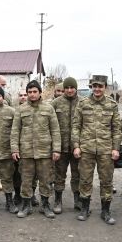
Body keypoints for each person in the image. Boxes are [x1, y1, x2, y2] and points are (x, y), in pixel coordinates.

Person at [72, 75, 121, 224]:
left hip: (106, 149)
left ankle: (105, 211)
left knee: (106, 181)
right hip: (86, 149)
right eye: (94, 86)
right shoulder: (83, 104)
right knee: (85, 180)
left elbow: (116, 128)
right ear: (91, 87)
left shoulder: (112, 105)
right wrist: (76, 146)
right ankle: (85, 209)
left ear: (105, 87)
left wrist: (116, 148)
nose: (97, 89)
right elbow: (76, 126)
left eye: (100, 86)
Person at [10, 80, 61, 218]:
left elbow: (55, 130)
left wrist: (56, 149)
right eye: (29, 92)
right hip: (26, 152)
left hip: (45, 152)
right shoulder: (21, 109)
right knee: (26, 180)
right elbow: (15, 130)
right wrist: (14, 149)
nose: (32, 95)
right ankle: (26, 206)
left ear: (40, 93)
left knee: (45, 179)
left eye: (35, 92)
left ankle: (45, 205)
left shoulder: (48, 108)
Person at [51, 77, 82, 211]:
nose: (69, 90)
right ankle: (58, 201)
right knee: (59, 175)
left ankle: (78, 200)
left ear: (76, 88)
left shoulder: (83, 102)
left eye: (72, 88)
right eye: (67, 88)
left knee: (78, 175)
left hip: (77, 147)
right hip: (61, 147)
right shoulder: (55, 103)